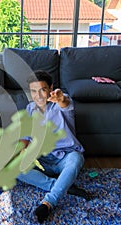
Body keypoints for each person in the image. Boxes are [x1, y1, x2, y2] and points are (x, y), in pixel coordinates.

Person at [17, 70, 91, 223]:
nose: (38, 95)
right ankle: (63, 185)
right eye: (33, 91)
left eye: (42, 90)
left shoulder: (61, 103)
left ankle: (48, 202)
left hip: (66, 156)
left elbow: (65, 103)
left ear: (50, 88)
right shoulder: (30, 108)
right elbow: (26, 137)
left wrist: (60, 98)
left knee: (76, 160)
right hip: (42, 160)